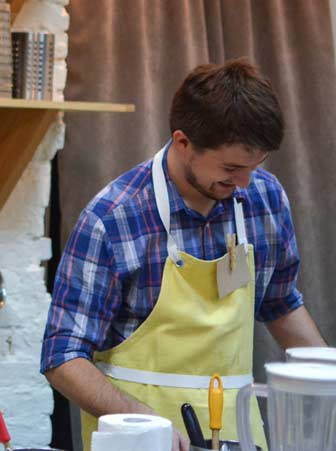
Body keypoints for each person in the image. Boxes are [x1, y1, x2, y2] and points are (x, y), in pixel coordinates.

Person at [40, 59, 327, 451]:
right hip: (140, 440)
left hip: (239, 435)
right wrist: (142, 420)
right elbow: (63, 356)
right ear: (182, 142)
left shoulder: (264, 197)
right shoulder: (113, 219)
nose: (244, 182)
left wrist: (328, 375)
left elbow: (280, 304)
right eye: (231, 167)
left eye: (254, 166)